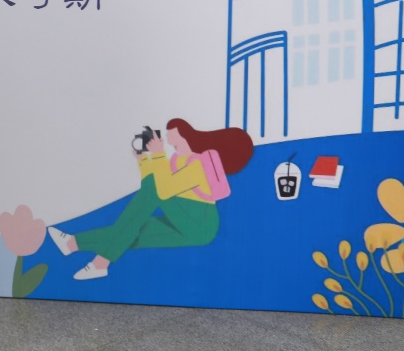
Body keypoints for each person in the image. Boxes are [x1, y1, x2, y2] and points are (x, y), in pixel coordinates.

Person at [47, 118, 255, 279]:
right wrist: (144, 161)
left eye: (170, 132)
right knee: (133, 233)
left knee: (151, 195)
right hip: (184, 219)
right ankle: (77, 247)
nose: (165, 137)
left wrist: (157, 154)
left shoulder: (198, 164)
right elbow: (154, 186)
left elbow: (162, 190)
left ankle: (99, 262)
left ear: (183, 135)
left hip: (199, 222)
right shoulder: (177, 159)